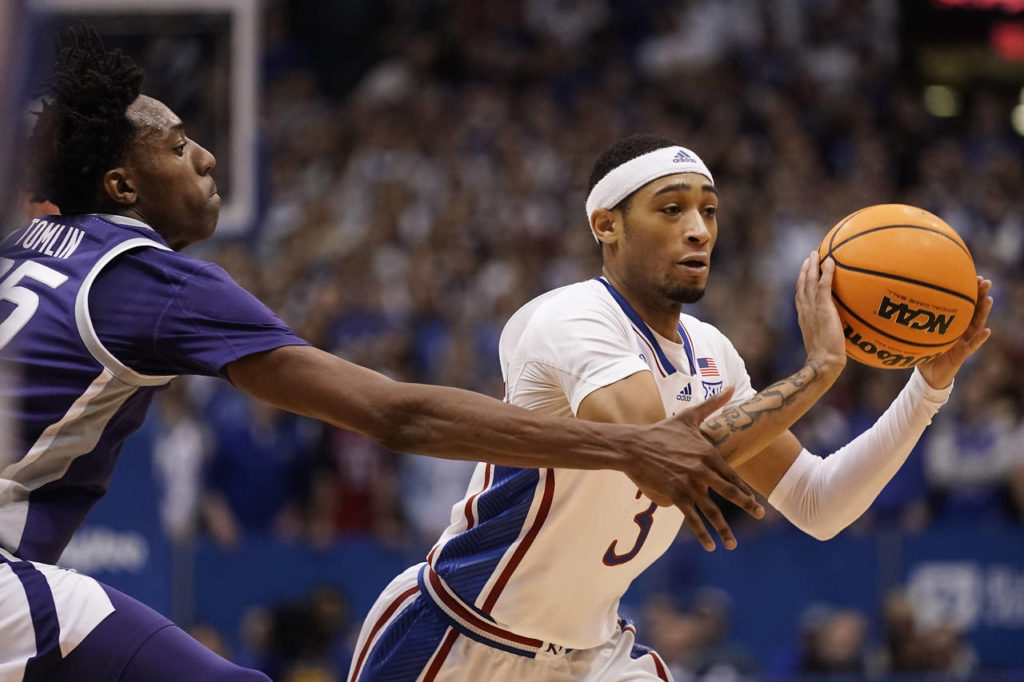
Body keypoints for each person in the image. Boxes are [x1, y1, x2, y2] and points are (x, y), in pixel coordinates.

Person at [0, 29, 764, 682]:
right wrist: (628, 446)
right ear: (121, 185)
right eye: (175, 146)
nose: (205, 157)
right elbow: (395, 414)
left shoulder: (20, 249)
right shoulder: (144, 275)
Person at [347, 134, 993, 682]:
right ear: (606, 225)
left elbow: (818, 503)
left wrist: (927, 389)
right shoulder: (569, 318)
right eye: (671, 208)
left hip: (593, 656)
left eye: (709, 211)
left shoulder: (712, 352)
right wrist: (819, 372)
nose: (699, 229)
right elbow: (659, 457)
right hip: (461, 637)